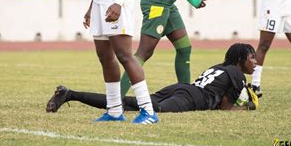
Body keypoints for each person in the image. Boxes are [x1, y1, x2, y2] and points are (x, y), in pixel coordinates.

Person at [47, 43, 259, 113]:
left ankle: (70, 94)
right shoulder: (237, 74)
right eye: (252, 58)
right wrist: (246, 106)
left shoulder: (220, 67)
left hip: (180, 88)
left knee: (127, 104)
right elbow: (224, 108)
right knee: (150, 111)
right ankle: (70, 95)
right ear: (240, 59)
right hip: (193, 98)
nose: (255, 62)